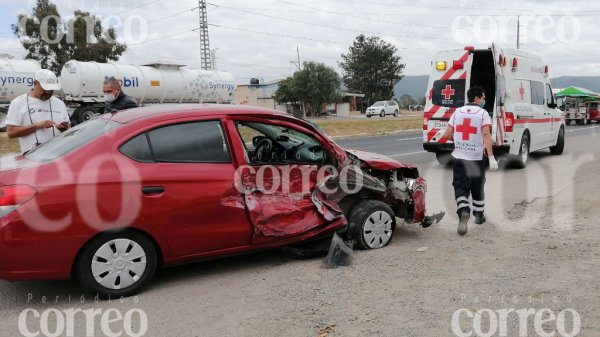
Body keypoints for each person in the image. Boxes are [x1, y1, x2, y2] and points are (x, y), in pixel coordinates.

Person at [441, 86, 499, 236]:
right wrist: (491, 157)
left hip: (459, 157)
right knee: (477, 185)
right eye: (483, 98)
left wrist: (458, 140)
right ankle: (479, 216)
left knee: (460, 186)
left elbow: (447, 134)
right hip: (476, 158)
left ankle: (463, 211)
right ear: (477, 98)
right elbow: (486, 135)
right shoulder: (483, 114)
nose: (484, 101)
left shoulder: (457, 112)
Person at [6, 69, 70, 154]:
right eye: (45, 89)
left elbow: (68, 127)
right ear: (35, 83)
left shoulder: (60, 104)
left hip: (58, 153)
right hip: (33, 156)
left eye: (51, 90)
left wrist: (64, 128)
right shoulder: (19, 102)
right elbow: (11, 132)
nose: (48, 93)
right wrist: (38, 125)